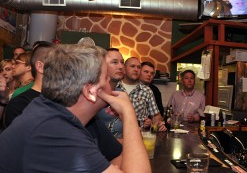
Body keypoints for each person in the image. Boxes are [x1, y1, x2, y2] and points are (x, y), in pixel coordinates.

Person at [0, 44, 151, 173]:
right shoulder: (54, 131)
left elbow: (119, 159)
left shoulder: (54, 109)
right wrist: (129, 113)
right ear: (89, 91)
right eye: (106, 78)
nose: (110, 84)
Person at [2, 41, 54, 128]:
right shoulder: (20, 99)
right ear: (39, 66)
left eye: (17, 63)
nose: (13, 66)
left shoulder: (56, 97)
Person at [117, 57, 166, 131]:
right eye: (132, 66)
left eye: (139, 67)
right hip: (116, 135)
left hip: (139, 134)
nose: (136, 69)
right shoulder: (115, 87)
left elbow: (156, 116)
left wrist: (159, 124)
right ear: (124, 68)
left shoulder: (147, 91)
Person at [98, 48, 125, 140]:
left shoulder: (121, 93)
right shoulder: (95, 95)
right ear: (102, 66)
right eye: (114, 62)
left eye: (122, 62)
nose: (121, 66)